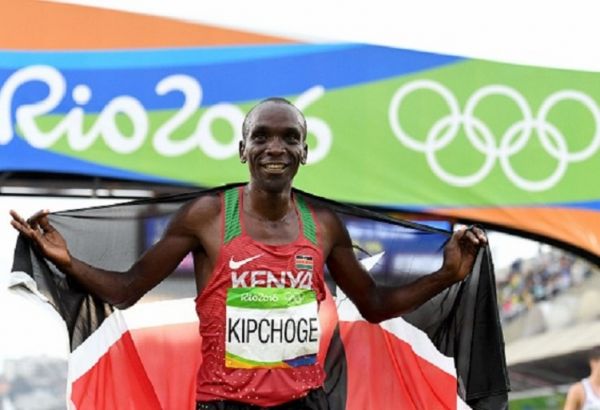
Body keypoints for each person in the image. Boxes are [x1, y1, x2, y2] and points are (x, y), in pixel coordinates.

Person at [10, 98, 487, 410]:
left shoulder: (322, 226)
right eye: (261, 137)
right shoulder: (208, 217)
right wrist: (67, 261)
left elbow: (375, 306)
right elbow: (127, 290)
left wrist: (447, 274)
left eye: (288, 138)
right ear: (243, 149)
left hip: (304, 402)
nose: (274, 148)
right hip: (223, 404)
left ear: (305, 151)